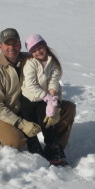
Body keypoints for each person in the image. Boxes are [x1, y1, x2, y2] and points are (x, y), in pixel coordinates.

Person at [0, 28, 76, 166]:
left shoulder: (32, 59)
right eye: (7, 44)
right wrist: (20, 123)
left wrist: (56, 105)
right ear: (0, 46)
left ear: (20, 44)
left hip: (33, 106)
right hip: (6, 114)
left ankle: (55, 147)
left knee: (69, 109)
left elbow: (53, 83)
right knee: (14, 143)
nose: (11, 47)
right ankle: (20, 138)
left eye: (15, 43)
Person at [20, 33, 67, 165]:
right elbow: (31, 85)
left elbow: (54, 81)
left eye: (40, 48)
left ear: (45, 46)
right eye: (33, 50)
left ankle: (53, 149)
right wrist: (47, 96)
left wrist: (52, 100)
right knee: (29, 124)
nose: (38, 52)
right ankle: (33, 146)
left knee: (47, 122)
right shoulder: (31, 64)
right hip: (29, 98)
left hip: (44, 99)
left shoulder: (53, 63)